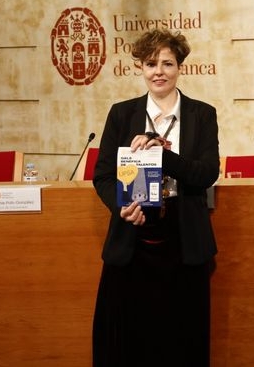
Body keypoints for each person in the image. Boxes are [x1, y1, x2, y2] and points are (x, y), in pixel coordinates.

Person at [92, 29, 220, 367]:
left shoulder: (202, 114)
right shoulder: (121, 113)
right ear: (141, 68)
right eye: (151, 64)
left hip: (183, 236)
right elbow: (102, 176)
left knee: (182, 337)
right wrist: (122, 207)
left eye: (167, 63)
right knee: (128, 339)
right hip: (132, 235)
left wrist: (164, 155)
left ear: (180, 67)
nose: (158, 71)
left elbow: (207, 173)